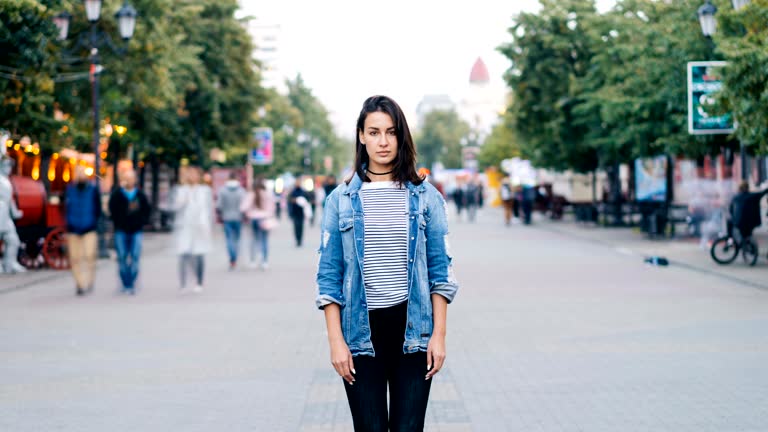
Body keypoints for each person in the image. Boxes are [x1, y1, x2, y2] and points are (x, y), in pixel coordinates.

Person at [316, 95, 459, 431]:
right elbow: (328, 277)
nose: (383, 141)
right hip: (359, 335)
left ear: (401, 137)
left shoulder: (426, 196)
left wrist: (438, 335)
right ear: (361, 136)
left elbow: (441, 272)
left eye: (391, 132)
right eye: (374, 132)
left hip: (414, 333)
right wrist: (336, 342)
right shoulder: (340, 201)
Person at [108, 170, 151, 295]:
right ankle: (125, 283)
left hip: (136, 230)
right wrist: (117, 223)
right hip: (121, 230)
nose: (129, 180)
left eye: (131, 178)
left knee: (135, 256)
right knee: (122, 257)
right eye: (126, 178)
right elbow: (112, 210)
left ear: (135, 180)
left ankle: (131, 283)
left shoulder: (140, 195)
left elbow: (146, 210)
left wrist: (142, 222)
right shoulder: (117, 194)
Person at [173, 167, 213, 292]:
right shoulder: (181, 190)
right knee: (183, 254)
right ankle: (183, 283)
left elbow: (208, 209)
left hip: (200, 226)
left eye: (194, 175)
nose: (191, 177)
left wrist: (207, 226)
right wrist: (183, 200)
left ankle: (199, 281)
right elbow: (176, 207)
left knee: (199, 254)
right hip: (185, 226)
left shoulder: (204, 190)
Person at [64, 165, 101, 296]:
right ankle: (80, 284)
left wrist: (94, 223)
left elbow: (98, 208)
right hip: (73, 228)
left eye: (82, 173)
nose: (80, 175)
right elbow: (64, 207)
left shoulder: (93, 189)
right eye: (77, 173)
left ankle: (89, 281)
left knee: (89, 255)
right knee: (75, 258)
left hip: (89, 227)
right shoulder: (69, 189)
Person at [240, 177, 275, 269]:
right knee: (264, 240)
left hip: (254, 219)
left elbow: (243, 207)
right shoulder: (268, 194)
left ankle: (253, 260)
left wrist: (249, 213)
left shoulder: (251, 194)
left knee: (254, 240)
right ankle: (264, 261)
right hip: (265, 218)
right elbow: (272, 208)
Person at [216, 172, 246, 269]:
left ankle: (232, 258)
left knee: (229, 239)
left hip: (226, 217)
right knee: (237, 239)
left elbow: (219, 205)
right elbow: (244, 205)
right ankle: (235, 256)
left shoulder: (222, 190)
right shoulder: (241, 191)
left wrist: (220, 214)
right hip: (238, 217)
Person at [288, 181, 310, 247]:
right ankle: (297, 239)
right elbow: (289, 201)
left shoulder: (303, 191)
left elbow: (307, 200)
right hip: (295, 212)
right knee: (296, 227)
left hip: (301, 212)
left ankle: (300, 240)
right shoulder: (292, 192)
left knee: (301, 227)